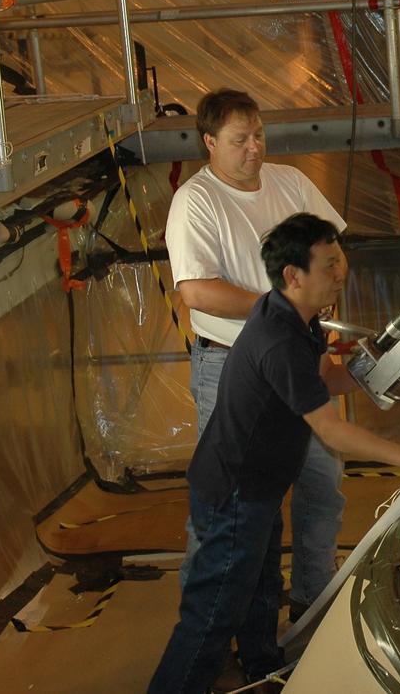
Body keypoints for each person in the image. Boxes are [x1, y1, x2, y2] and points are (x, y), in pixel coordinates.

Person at [148, 213, 400, 694]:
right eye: (329, 265)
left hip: (258, 488)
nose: (340, 274)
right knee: (213, 614)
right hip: (233, 494)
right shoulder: (279, 339)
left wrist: (397, 359)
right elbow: (331, 429)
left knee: (262, 589)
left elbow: (325, 381)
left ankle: (262, 672)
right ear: (293, 275)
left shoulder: (298, 321)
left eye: (341, 261)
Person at [165, 88, 348, 618]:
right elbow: (196, 292)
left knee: (320, 488)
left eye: (259, 135)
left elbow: (334, 254)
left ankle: (311, 610)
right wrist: (285, 310)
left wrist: (323, 311)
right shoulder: (196, 202)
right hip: (232, 368)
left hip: (301, 359)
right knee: (233, 509)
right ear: (209, 143)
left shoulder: (291, 183)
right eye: (239, 140)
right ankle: (213, 627)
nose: (254, 148)